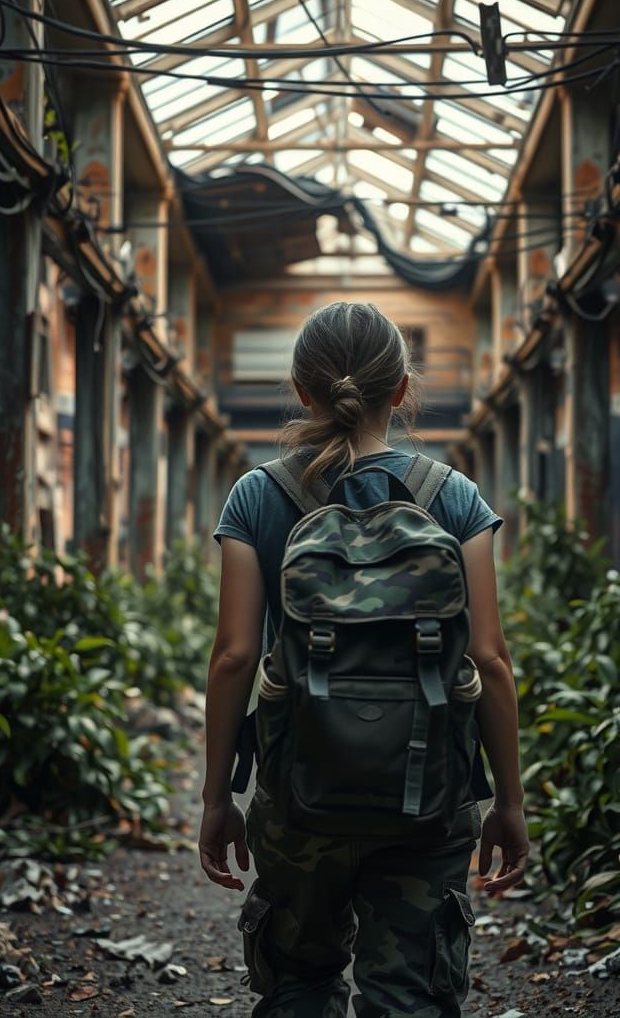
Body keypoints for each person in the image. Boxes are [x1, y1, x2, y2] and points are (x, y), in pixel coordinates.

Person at [199, 301, 529, 1018]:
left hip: (298, 794)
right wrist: (507, 800)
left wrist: (217, 797)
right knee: (410, 994)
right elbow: (490, 659)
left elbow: (232, 657)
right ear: (402, 390)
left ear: (301, 390)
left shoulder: (258, 496)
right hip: (428, 794)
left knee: (298, 985)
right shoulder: (455, 499)